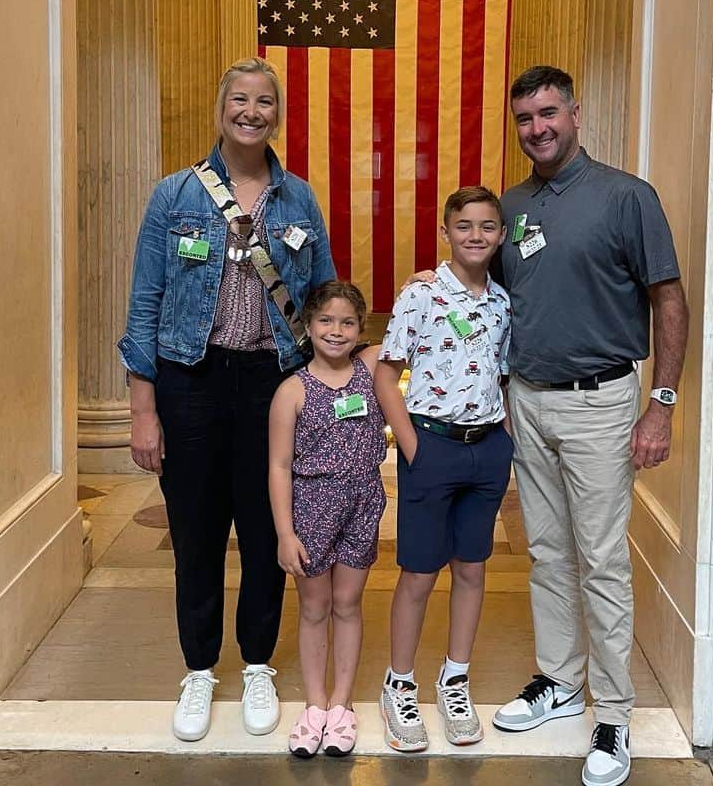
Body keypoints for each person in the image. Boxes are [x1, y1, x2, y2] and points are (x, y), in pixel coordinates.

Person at [118, 57, 336, 743]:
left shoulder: (298, 200)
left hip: (274, 384)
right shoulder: (174, 196)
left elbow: (325, 297)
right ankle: (199, 668)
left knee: (269, 528)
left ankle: (259, 663)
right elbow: (145, 304)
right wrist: (143, 408)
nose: (251, 111)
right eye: (239, 99)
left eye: (264, 101)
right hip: (191, 381)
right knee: (196, 529)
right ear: (221, 109)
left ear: (278, 113)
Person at [490, 66, 688, 786]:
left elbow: (669, 301)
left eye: (548, 114)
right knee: (547, 552)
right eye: (524, 119)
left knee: (601, 559)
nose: (536, 129)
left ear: (576, 112)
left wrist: (660, 404)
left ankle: (613, 715)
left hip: (602, 400)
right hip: (529, 399)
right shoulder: (510, 205)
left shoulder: (626, 197)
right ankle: (559, 679)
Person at [373, 186, 513, 753]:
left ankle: (455, 677)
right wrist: (410, 447)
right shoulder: (422, 295)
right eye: (464, 226)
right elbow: (387, 373)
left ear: (501, 235)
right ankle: (398, 683)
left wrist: (504, 438)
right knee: (420, 573)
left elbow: (500, 375)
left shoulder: (503, 302)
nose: (475, 235)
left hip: (487, 450)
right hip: (431, 447)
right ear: (446, 233)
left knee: (473, 569)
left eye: (486, 226)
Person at [268, 281, 386, 758]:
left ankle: (342, 704)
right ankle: (315, 706)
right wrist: (284, 533)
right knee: (315, 607)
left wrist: (424, 281)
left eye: (347, 322)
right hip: (311, 508)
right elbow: (277, 466)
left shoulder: (370, 367)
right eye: (325, 321)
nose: (336, 331)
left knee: (348, 603)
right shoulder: (292, 390)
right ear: (309, 326)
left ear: (360, 328)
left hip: (363, 504)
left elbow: (417, 323)